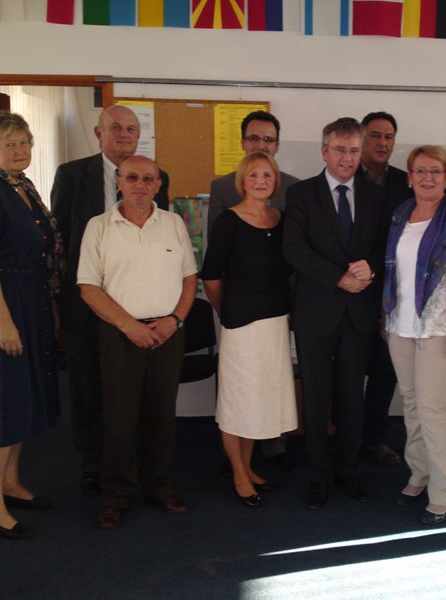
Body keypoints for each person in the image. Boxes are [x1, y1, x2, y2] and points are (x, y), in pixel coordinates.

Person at [51, 105, 171, 496]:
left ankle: (133, 461)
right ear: (99, 132)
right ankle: (93, 461)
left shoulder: (156, 177)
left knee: (134, 391)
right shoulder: (72, 175)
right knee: (88, 387)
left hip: (139, 303)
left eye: (131, 128)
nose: (124, 134)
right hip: (88, 302)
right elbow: (60, 241)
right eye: (116, 127)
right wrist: (62, 299)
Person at [77, 156, 197, 530]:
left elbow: (190, 278)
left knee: (161, 416)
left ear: (159, 185)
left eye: (148, 178)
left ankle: (158, 487)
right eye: (132, 177)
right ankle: (117, 495)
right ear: (118, 181)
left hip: (166, 333)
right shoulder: (99, 227)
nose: (140, 185)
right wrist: (129, 326)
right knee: (119, 419)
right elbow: (88, 287)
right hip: (119, 334)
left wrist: (176, 320)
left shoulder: (174, 224)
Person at [0, 110, 64, 539]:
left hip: (31, 299)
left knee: (23, 397)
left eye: (24, 142)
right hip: (2, 303)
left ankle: (10, 482)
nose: (21, 150)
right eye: (10, 144)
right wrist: (4, 324)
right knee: (4, 403)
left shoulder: (23, 187)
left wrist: (49, 306)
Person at [283, 117, 389, 509]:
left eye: (354, 150)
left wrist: (371, 268)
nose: (347, 158)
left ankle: (348, 470)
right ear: (324, 151)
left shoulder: (375, 195)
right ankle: (319, 474)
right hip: (315, 312)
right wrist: (338, 278)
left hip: (359, 312)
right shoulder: (301, 194)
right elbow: (293, 249)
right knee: (315, 395)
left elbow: (385, 245)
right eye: (340, 150)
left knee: (351, 395)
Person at [384, 146, 446, 525]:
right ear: (410, 176)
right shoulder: (400, 215)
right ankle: (419, 473)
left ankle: (443, 493)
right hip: (401, 324)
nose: (428, 178)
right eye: (420, 171)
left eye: (436, 171)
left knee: (433, 408)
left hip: (441, 327)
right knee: (410, 403)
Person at [201, 152, 297, 508]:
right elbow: (211, 276)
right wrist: (226, 310)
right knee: (237, 401)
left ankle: (248, 466)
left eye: (267, 175)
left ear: (276, 181)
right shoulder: (228, 221)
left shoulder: (282, 220)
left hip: (275, 325)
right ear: (243, 180)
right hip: (241, 327)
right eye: (253, 175)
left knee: (259, 400)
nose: (260, 181)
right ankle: (239, 473)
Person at [358, 111, 411, 466]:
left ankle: (375, 438)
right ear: (362, 138)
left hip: (393, 292)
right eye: (375, 136)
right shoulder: (346, 176)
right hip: (351, 289)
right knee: (348, 371)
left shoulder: (404, 182)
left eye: (389, 137)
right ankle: (346, 436)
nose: (382, 143)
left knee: (384, 371)